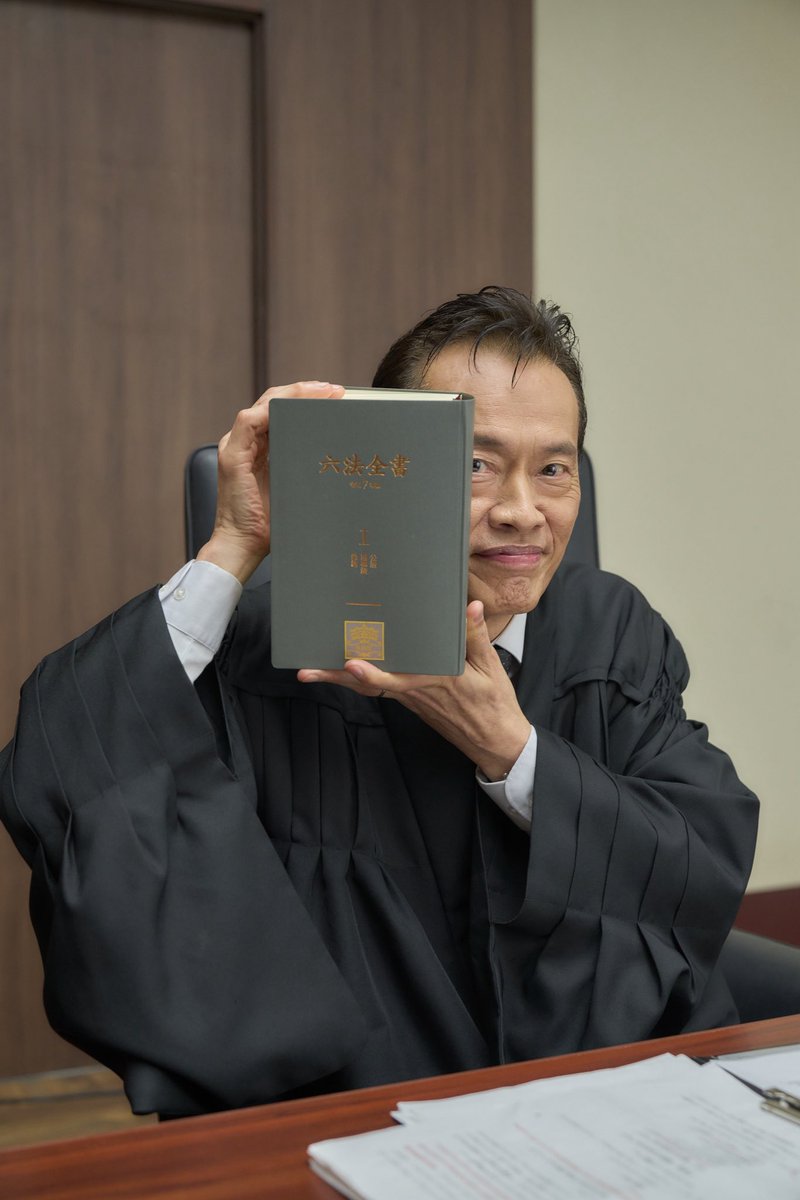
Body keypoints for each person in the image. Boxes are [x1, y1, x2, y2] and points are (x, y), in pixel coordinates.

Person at [0, 286, 758, 1117]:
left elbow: (698, 859)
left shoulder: (609, 632)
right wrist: (233, 549)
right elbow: (65, 777)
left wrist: (516, 754)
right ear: (390, 466)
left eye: (554, 469)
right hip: (350, 1116)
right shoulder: (270, 647)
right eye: (474, 464)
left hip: (595, 1105)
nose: (521, 511)